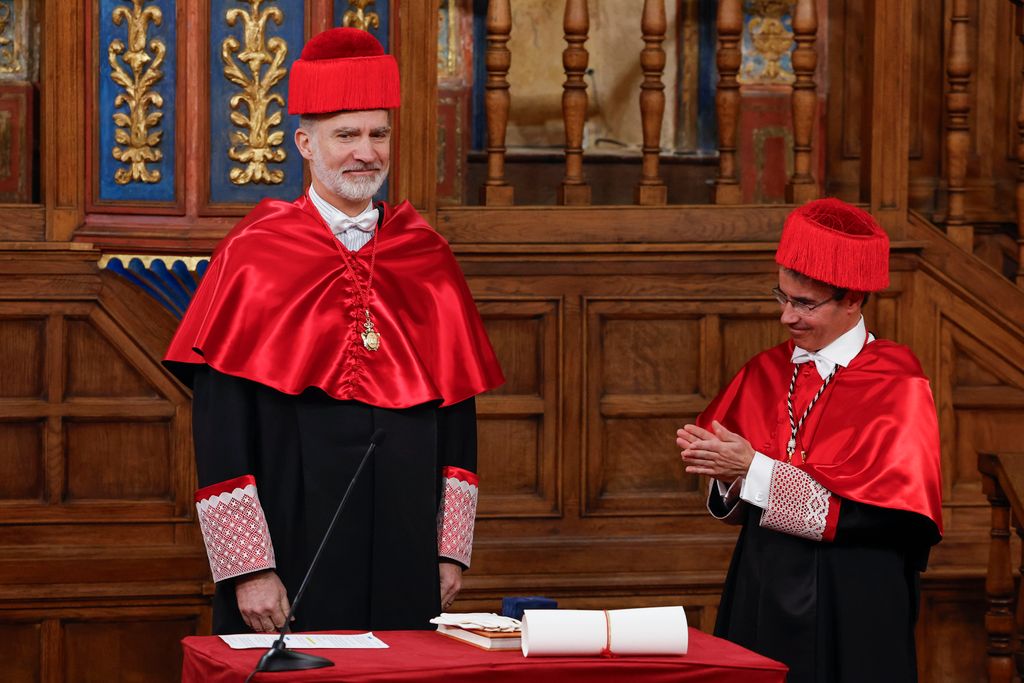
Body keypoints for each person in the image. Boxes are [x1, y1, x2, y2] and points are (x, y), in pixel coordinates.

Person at [164, 28, 503, 635]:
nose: (365, 153)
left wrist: (450, 549)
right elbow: (219, 426)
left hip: (404, 545)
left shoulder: (427, 255)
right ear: (305, 143)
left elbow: (459, 414)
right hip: (291, 545)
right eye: (345, 135)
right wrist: (249, 568)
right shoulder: (253, 254)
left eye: (379, 134)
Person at [677, 198, 942, 683]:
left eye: (804, 304)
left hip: (855, 592)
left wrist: (752, 469)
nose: (787, 318)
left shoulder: (898, 383)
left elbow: (886, 515)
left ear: (852, 300)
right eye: (781, 298)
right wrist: (725, 475)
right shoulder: (764, 370)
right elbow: (739, 498)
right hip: (763, 583)